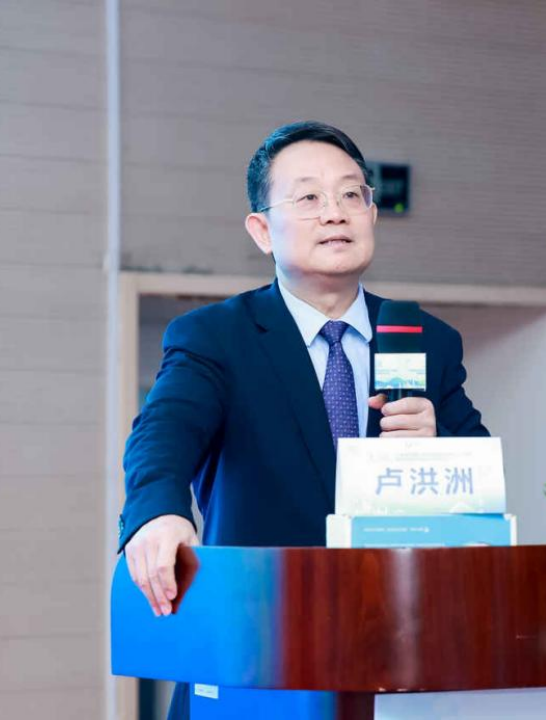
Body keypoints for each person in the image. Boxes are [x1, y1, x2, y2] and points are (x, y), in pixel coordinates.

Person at [119, 121, 489, 619]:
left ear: (372, 214)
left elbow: (482, 492)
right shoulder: (217, 337)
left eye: (351, 195)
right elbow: (162, 433)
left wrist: (438, 442)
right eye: (309, 198)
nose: (335, 213)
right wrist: (157, 513)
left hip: (402, 623)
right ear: (262, 231)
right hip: (264, 623)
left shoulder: (427, 339)